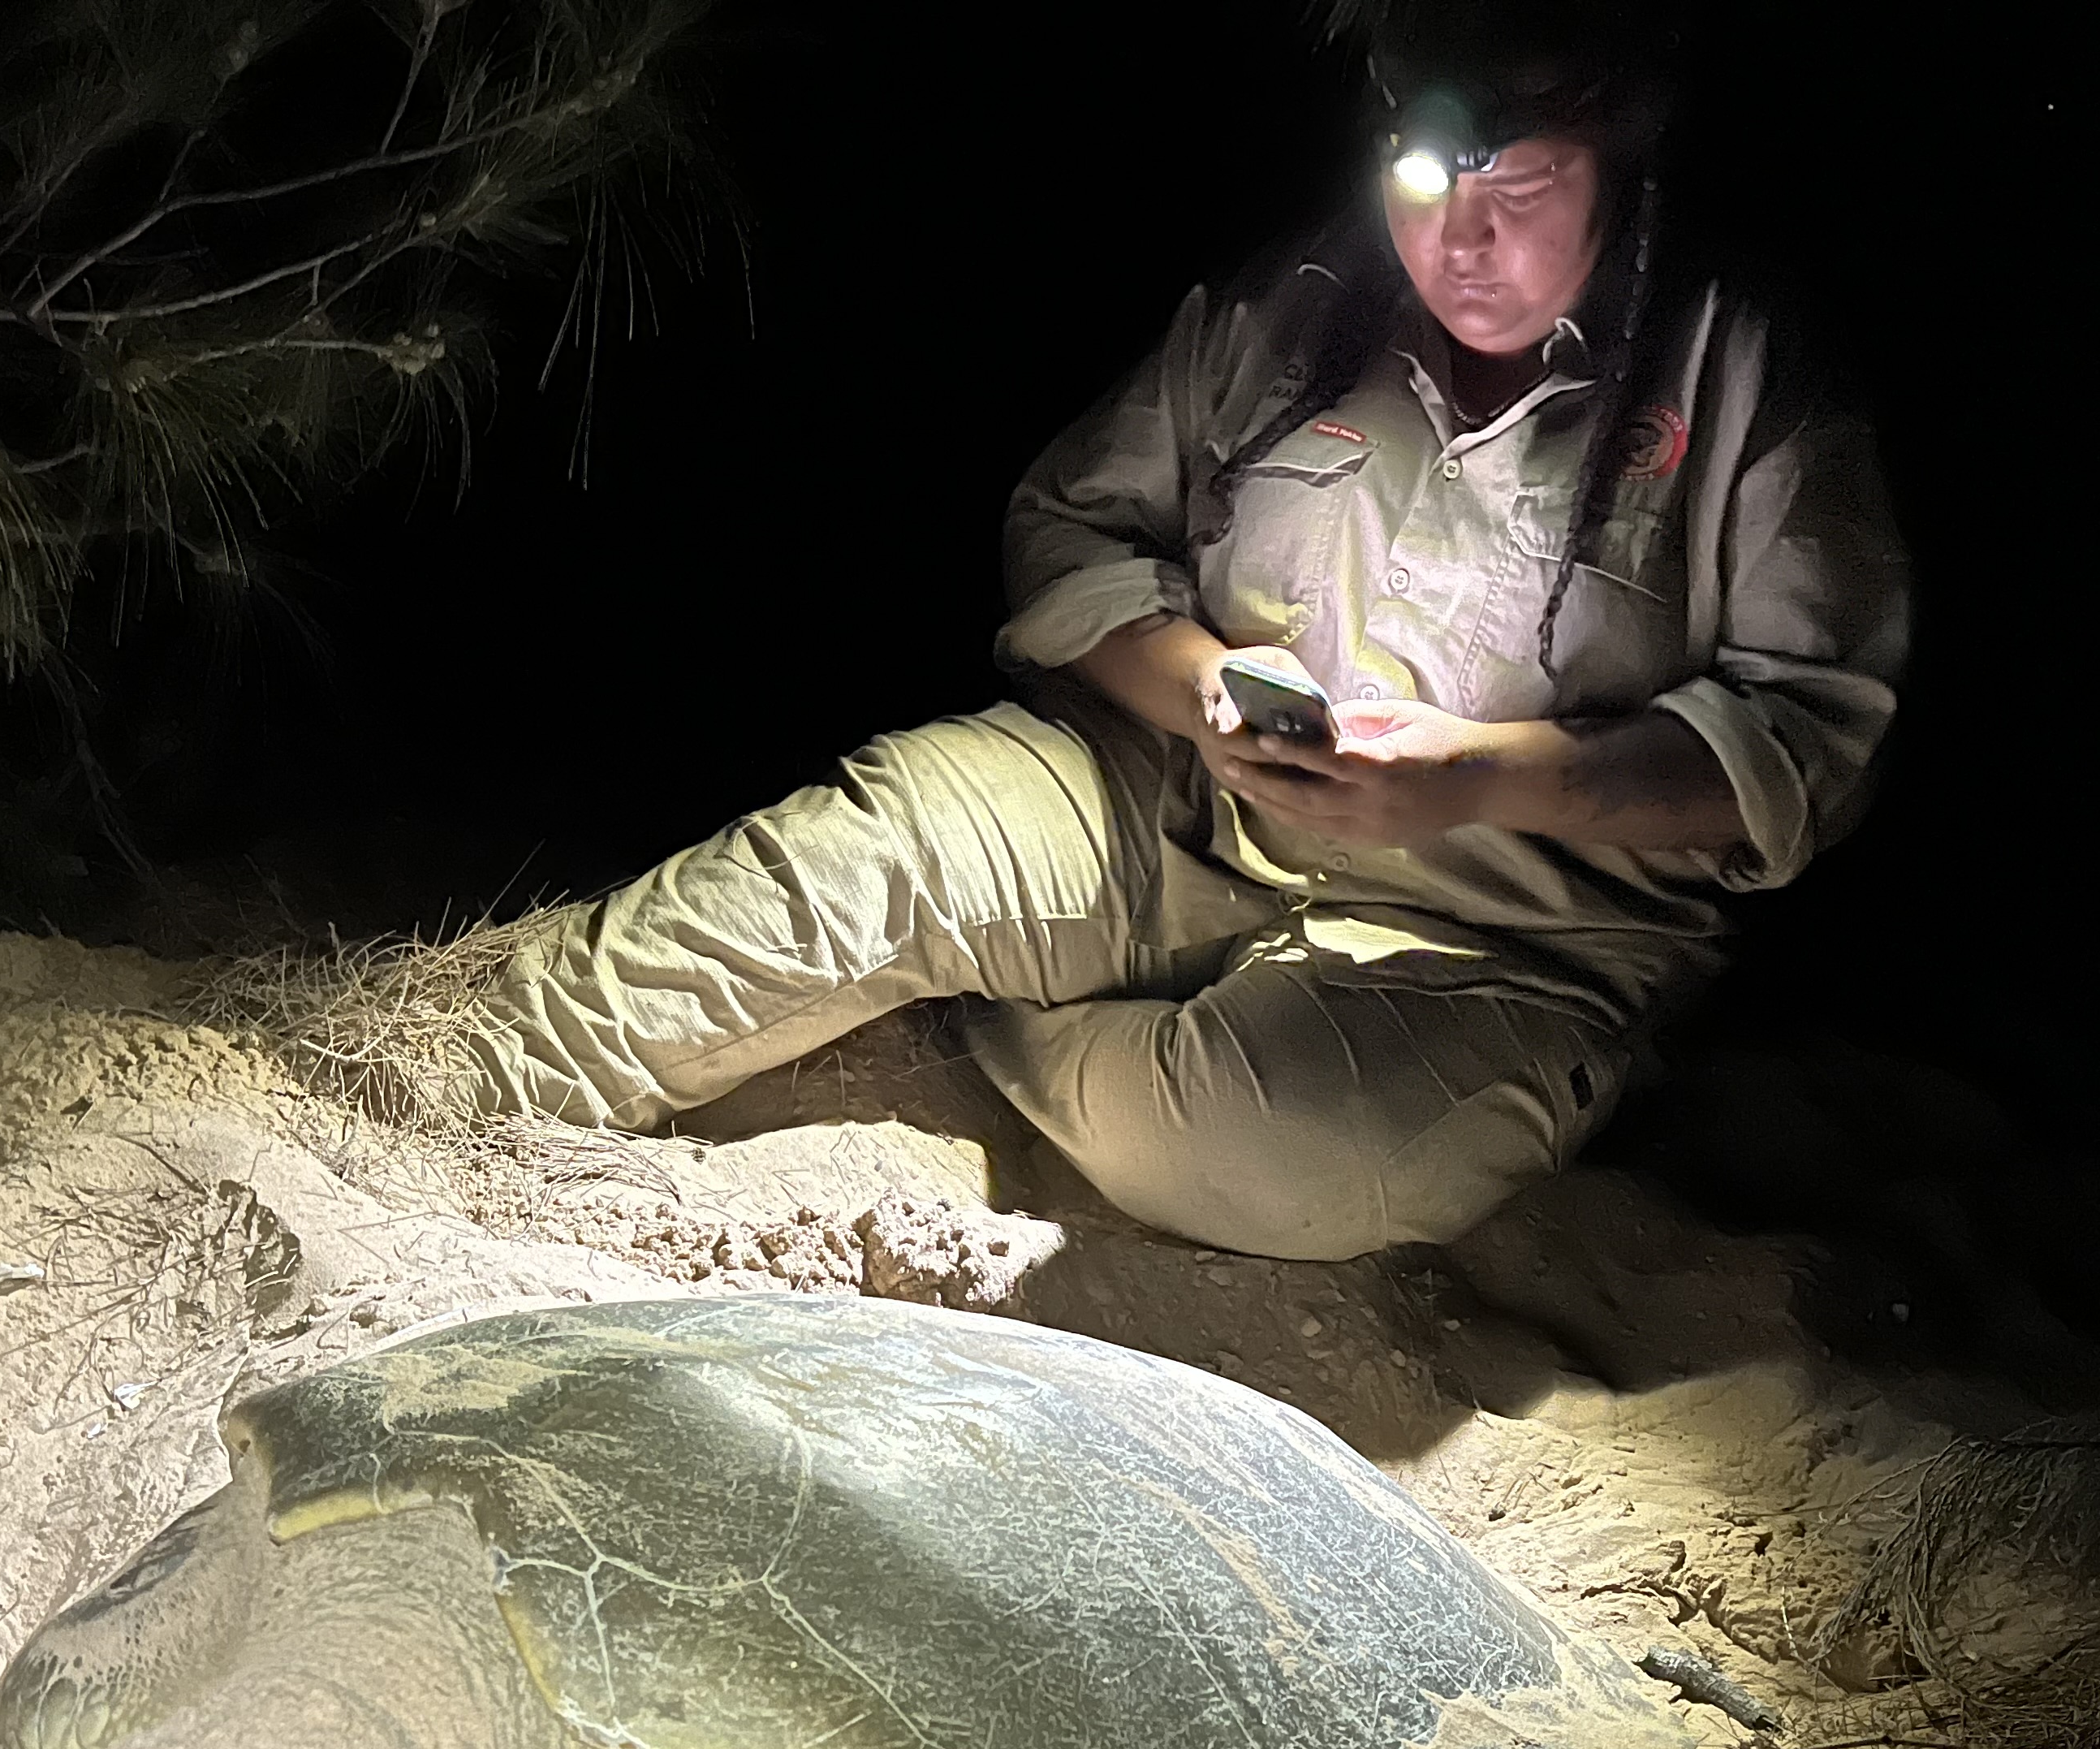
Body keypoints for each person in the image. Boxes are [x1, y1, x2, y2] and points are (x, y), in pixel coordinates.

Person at [460, 2, 1908, 1262]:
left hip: (1507, 938)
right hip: (1171, 799)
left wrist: (1475, 779)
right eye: (1420, 181)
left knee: (1276, 1149)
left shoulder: (1747, 379)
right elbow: (1067, 532)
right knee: (862, 849)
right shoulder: (1300, 310)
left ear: (1620, 167)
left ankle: (993, 1014)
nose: (1458, 242)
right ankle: (445, 1075)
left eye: (1520, 189)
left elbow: (1806, 751)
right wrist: (1207, 683)